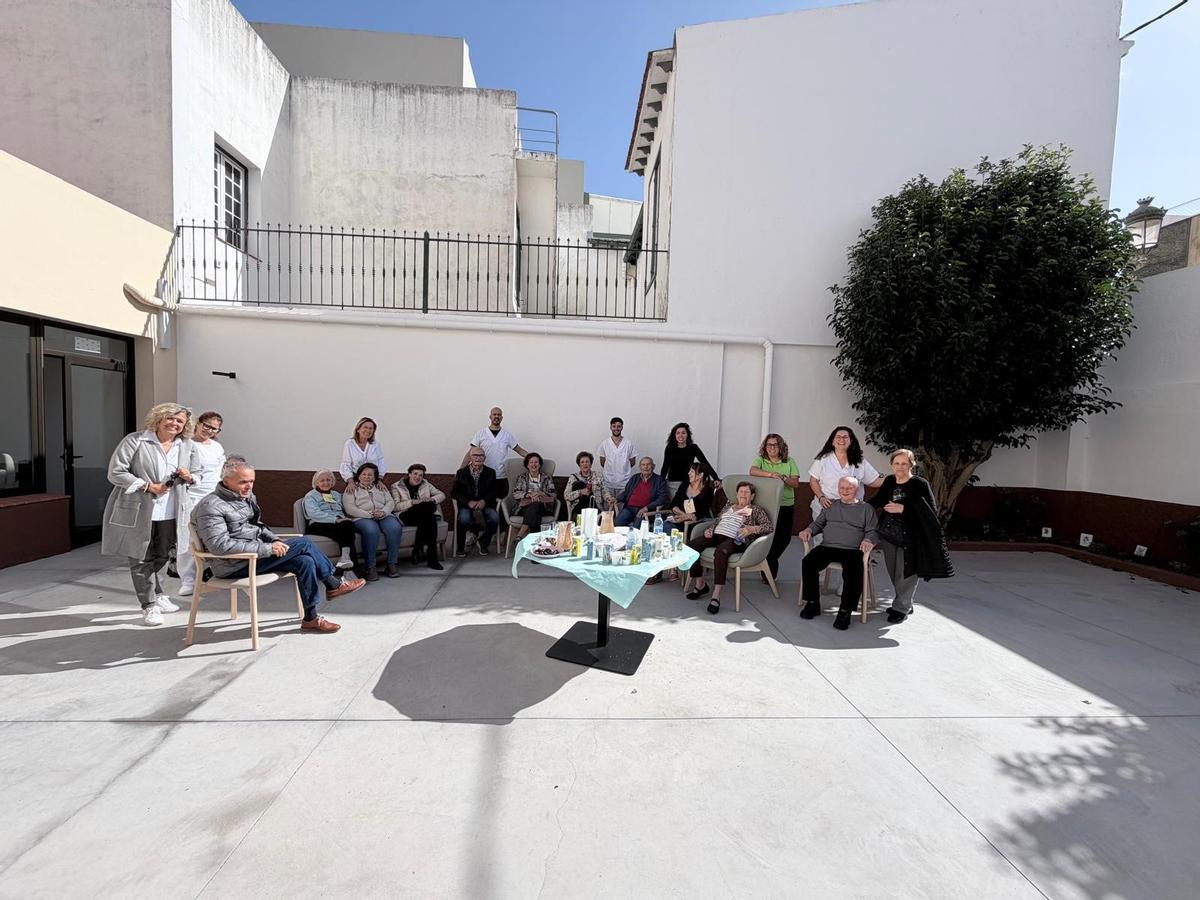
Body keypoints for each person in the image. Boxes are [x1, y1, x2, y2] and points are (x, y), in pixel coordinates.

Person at [192, 459, 362, 633]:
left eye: (251, 481)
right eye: (243, 481)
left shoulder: (245, 497)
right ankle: (333, 584)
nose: (248, 486)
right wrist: (267, 549)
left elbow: (258, 526)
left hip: (254, 556)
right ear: (226, 480)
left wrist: (274, 540)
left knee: (305, 561)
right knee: (304, 542)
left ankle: (311, 618)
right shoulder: (210, 506)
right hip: (233, 564)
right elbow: (219, 546)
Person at [101, 403, 197, 626]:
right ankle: (149, 605)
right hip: (139, 509)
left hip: (172, 509)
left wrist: (189, 476)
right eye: (170, 419)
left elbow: (198, 473)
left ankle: (159, 593)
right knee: (140, 557)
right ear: (159, 419)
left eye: (179, 421)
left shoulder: (186, 445)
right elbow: (116, 471)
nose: (174, 423)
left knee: (163, 554)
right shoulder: (136, 440)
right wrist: (146, 486)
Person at [867, 448, 954, 623]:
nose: (900, 467)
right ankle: (905, 602)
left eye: (904, 463)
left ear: (912, 464)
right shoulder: (890, 481)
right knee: (893, 571)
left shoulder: (920, 484)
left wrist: (904, 509)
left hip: (912, 536)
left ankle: (901, 608)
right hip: (889, 534)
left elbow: (931, 512)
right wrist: (855, 506)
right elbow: (878, 500)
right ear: (892, 465)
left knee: (907, 573)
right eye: (897, 463)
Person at [798, 476, 881, 631]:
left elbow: (873, 531)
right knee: (808, 562)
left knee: (854, 571)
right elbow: (818, 524)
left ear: (856, 490)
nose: (845, 491)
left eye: (849, 488)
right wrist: (809, 529)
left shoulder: (865, 508)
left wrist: (868, 540)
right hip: (828, 547)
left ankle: (845, 611)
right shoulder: (830, 505)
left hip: (852, 550)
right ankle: (812, 603)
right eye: (842, 488)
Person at [684, 481, 774, 615]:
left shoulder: (756, 510)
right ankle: (700, 584)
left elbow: (769, 527)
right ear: (736, 494)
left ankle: (716, 595)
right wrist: (710, 529)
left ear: (752, 496)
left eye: (746, 492)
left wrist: (752, 529)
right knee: (690, 547)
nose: (743, 494)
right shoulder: (728, 506)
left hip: (735, 539)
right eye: (741, 491)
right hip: (716, 535)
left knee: (721, 552)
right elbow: (717, 521)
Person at [176, 410, 226, 596]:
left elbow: (222, 471)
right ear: (198, 423)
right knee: (188, 538)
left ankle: (215, 571)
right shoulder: (185, 444)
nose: (210, 431)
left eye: (214, 428)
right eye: (207, 426)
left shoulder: (216, 447)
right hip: (191, 496)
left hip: (215, 497)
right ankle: (188, 580)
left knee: (215, 535)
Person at [750, 433, 802, 583]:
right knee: (767, 536)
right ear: (765, 447)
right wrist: (771, 474)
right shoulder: (761, 460)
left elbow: (796, 483)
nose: (772, 447)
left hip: (786, 505)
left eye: (775, 445)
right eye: (769, 445)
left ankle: (768, 559)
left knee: (784, 539)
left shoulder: (789, 461)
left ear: (781, 446)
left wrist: (784, 478)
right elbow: (752, 471)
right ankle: (768, 573)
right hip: (766, 505)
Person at [656, 461, 715, 583]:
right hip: (680, 519)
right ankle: (670, 567)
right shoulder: (684, 485)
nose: (689, 473)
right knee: (665, 527)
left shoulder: (708, 491)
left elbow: (702, 512)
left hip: (695, 525)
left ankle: (672, 567)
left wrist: (688, 517)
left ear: (700, 475)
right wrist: (684, 515)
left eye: (692, 471)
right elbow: (674, 505)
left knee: (672, 532)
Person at [343, 462, 403, 581]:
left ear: (375, 477)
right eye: (364, 474)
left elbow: (390, 502)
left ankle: (391, 564)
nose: (367, 477)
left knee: (395, 528)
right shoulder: (351, 489)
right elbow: (349, 508)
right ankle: (370, 567)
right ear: (359, 476)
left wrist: (384, 512)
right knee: (371, 530)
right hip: (362, 517)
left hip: (383, 514)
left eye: (370, 475)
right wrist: (369, 514)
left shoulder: (381, 487)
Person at [391, 463, 446, 570]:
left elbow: (442, 495)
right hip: (406, 514)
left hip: (423, 515)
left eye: (421, 475)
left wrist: (432, 499)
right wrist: (413, 502)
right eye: (415, 474)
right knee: (429, 512)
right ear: (409, 474)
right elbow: (396, 506)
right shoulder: (396, 486)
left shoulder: (426, 484)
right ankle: (431, 559)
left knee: (428, 514)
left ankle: (417, 550)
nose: (418, 477)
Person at [302, 469, 358, 572]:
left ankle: (346, 562)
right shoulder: (311, 496)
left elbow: (344, 509)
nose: (325, 483)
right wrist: (335, 519)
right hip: (318, 524)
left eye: (328, 480)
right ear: (316, 483)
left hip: (340, 524)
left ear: (332, 482)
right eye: (322, 480)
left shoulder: (336, 495)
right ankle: (353, 570)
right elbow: (314, 513)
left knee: (347, 529)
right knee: (347, 530)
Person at [463, 407, 527, 494]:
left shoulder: (507, 435)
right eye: (494, 414)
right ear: (490, 417)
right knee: (485, 502)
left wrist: (533, 458)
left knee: (500, 503)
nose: (497, 416)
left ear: (502, 418)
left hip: (501, 476)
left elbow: (519, 450)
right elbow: (471, 452)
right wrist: (461, 469)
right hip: (483, 475)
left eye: (499, 415)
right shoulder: (481, 433)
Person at [452, 448, 500, 557]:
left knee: (494, 517)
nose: (478, 457)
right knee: (464, 518)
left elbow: (493, 491)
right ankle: (460, 547)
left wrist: (484, 500)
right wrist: (468, 502)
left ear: (484, 458)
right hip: (467, 504)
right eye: (475, 455)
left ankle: (483, 542)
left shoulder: (490, 472)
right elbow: (455, 492)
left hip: (485, 504)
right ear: (470, 457)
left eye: (481, 455)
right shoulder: (461, 472)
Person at [507, 452, 557, 543]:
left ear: (540, 464)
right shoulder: (522, 477)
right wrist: (528, 494)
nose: (534, 465)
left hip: (543, 507)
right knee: (535, 509)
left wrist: (541, 493)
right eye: (531, 462)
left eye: (536, 462)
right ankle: (534, 542)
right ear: (527, 465)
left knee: (536, 505)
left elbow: (553, 495)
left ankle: (520, 534)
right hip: (524, 507)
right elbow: (516, 493)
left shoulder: (547, 477)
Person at [615, 457, 671, 527]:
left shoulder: (659, 480)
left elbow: (663, 498)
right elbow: (626, 493)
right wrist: (616, 499)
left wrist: (647, 507)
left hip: (646, 511)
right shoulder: (634, 478)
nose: (646, 467)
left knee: (637, 528)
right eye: (643, 465)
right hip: (630, 509)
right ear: (640, 467)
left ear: (653, 466)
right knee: (617, 523)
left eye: (648, 464)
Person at [660, 423, 712, 493]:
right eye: (678, 433)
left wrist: (716, 478)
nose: (680, 435)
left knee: (687, 504)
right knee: (675, 503)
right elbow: (665, 466)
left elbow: (705, 463)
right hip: (673, 483)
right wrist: (660, 483)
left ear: (687, 435)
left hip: (689, 483)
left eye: (683, 433)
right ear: (674, 435)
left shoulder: (693, 448)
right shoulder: (670, 448)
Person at [564, 451, 614, 517]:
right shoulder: (573, 477)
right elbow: (566, 495)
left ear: (591, 464)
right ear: (579, 465)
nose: (585, 464)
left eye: (587, 462)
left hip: (596, 509)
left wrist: (608, 498)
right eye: (582, 462)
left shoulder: (598, 476)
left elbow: (605, 491)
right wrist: (580, 492)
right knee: (578, 484)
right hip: (579, 511)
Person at [597, 417, 638, 497]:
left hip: (624, 483)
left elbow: (632, 462)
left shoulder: (628, 443)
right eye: (614, 426)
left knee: (621, 507)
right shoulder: (605, 443)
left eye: (619, 426)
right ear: (610, 427)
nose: (616, 428)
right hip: (608, 482)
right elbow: (602, 462)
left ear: (622, 427)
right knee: (608, 507)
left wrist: (623, 470)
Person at [339, 417, 386, 483]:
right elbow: (346, 464)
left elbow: (381, 462)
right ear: (358, 429)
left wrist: (379, 480)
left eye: (371, 428)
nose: (368, 430)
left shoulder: (375, 444)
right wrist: (350, 482)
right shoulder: (350, 444)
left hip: (373, 480)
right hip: (355, 480)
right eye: (365, 427)